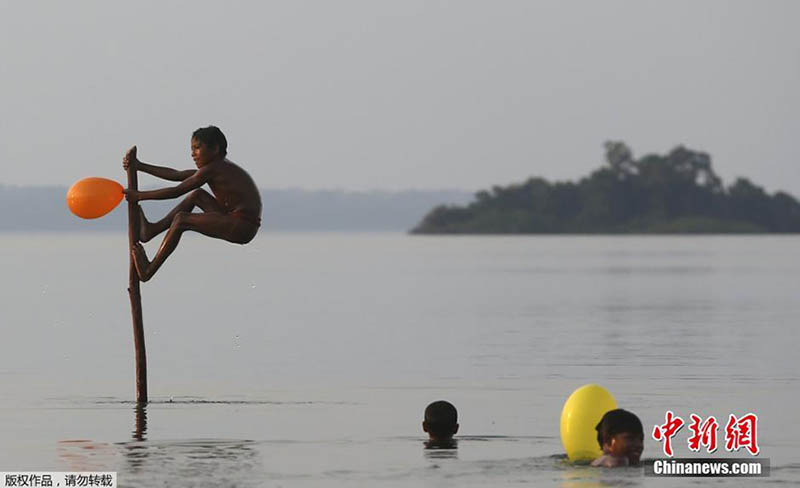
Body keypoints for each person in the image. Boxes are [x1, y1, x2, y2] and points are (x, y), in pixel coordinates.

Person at [122, 126, 262, 282]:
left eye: (197, 148)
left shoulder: (215, 168)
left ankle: (148, 270)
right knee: (197, 195)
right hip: (234, 219)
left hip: (241, 224)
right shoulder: (215, 168)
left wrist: (139, 196)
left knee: (182, 219)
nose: (192, 154)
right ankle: (152, 230)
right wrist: (139, 166)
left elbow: (176, 191)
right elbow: (177, 175)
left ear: (215, 148)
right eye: (192, 149)